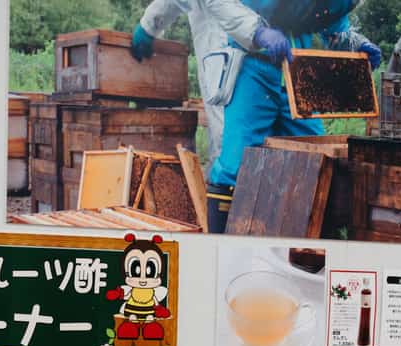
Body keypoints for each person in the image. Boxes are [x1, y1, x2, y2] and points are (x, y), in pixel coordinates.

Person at [198, 0, 381, 232]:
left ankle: (314, 248)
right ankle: (220, 248)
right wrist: (257, 31)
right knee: (236, 166)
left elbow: (329, 17)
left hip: (299, 74)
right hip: (253, 67)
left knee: (318, 162)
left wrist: (355, 43)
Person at [130, 0, 232, 166]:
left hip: (220, 47)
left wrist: (148, 26)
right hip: (255, 45)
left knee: (225, 127)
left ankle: (226, 184)